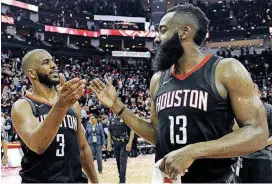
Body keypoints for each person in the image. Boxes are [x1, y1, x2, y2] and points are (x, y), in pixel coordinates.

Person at [89, 4, 268, 183]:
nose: (157, 39)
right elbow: (157, 135)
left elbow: (258, 133)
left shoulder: (226, 70)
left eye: (163, 30)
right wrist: (117, 106)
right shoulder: (158, 80)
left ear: (184, 32)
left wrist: (193, 151)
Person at [11, 49, 98, 183]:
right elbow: (38, 145)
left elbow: (82, 147)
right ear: (32, 73)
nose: (53, 65)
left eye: (53, 61)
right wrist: (60, 106)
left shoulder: (72, 104)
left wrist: (95, 182)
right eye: (46, 62)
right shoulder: (23, 106)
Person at [239, 84, 272, 183]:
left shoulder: (269, 109)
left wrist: (261, 143)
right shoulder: (241, 111)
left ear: (258, 93)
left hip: (262, 158)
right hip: (244, 158)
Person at [107, 115, 134, 183]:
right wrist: (109, 143)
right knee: (118, 161)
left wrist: (130, 143)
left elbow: (132, 131)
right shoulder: (111, 119)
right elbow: (109, 132)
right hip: (116, 143)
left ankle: (122, 180)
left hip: (124, 143)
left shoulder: (125, 118)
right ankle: (121, 177)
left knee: (122, 161)